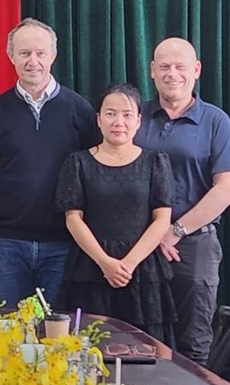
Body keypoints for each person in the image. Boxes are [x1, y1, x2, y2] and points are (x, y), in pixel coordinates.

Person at [0, 18, 100, 309]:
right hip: (6, 247)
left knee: (57, 339)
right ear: (11, 56)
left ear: (53, 56)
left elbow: (95, 178)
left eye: (40, 53)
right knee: (6, 341)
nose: (33, 61)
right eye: (25, 53)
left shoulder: (79, 110)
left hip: (64, 246)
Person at [135, 38, 230, 364]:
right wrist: (152, 236)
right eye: (164, 66)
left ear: (196, 70)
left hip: (193, 246)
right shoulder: (135, 118)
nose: (172, 74)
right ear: (152, 71)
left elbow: (227, 189)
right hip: (140, 246)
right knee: (140, 339)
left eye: (180, 66)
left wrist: (175, 231)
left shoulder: (215, 121)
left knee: (193, 343)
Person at [56, 83, 177, 345]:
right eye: (110, 114)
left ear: (138, 121)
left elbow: (162, 219)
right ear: (98, 119)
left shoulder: (155, 162)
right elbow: (73, 217)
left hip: (143, 270)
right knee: (90, 346)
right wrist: (105, 263)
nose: (118, 121)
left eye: (127, 114)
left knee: (145, 351)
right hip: (90, 267)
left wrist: (128, 264)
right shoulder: (77, 162)